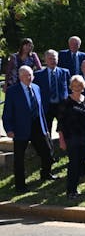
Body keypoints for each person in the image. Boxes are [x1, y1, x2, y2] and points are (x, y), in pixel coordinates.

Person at [2, 66, 56, 194]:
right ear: (20, 76)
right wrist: (9, 129)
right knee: (19, 159)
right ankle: (20, 185)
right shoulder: (12, 91)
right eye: (27, 75)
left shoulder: (36, 88)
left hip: (38, 127)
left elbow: (40, 109)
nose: (29, 77)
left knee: (47, 152)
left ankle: (46, 174)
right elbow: (7, 113)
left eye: (31, 75)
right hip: (20, 129)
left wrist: (45, 128)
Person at [57, 75, 85, 199]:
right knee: (74, 164)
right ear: (71, 87)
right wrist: (61, 140)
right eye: (75, 85)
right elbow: (60, 124)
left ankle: (76, 187)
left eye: (80, 85)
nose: (77, 88)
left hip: (84, 137)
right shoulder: (65, 102)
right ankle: (71, 190)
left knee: (82, 164)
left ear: (83, 87)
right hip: (71, 138)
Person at [33, 49, 71, 134]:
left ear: (58, 59)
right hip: (47, 106)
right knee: (46, 130)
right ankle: (48, 146)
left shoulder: (65, 72)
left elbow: (70, 89)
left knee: (65, 128)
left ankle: (64, 145)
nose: (52, 61)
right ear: (45, 60)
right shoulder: (38, 75)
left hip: (61, 105)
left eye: (54, 58)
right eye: (50, 58)